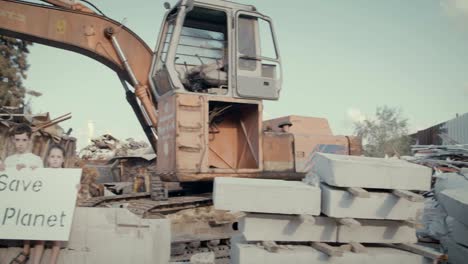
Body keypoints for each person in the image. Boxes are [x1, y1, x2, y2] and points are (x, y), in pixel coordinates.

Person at [7, 124, 43, 264]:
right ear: (13, 140)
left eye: (23, 140)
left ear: (29, 140)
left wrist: (31, 171)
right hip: (13, 200)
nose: (20, 144)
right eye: (17, 140)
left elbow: (42, 182)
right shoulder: (9, 160)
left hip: (29, 199)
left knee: (27, 215)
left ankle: (26, 249)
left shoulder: (36, 160)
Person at [30, 145, 66, 264]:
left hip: (58, 209)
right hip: (44, 208)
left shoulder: (67, 175)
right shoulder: (42, 173)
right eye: (52, 156)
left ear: (63, 159)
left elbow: (70, 193)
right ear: (48, 159)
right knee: (40, 239)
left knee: (57, 239)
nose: (55, 159)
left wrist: (75, 187)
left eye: (58, 157)